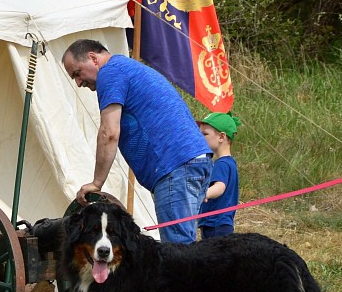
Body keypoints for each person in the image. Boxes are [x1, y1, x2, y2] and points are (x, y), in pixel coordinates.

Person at [62, 39, 212, 245]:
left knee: (178, 253)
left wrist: (96, 183)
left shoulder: (110, 73)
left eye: (77, 73)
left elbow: (109, 132)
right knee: (185, 250)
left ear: (93, 58)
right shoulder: (126, 68)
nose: (79, 83)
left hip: (175, 166)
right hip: (193, 160)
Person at [197, 111, 241, 240]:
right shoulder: (229, 163)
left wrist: (204, 194)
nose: (200, 138)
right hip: (221, 224)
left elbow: (220, 187)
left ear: (221, 137)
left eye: (205, 134)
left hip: (215, 224)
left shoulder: (221, 164)